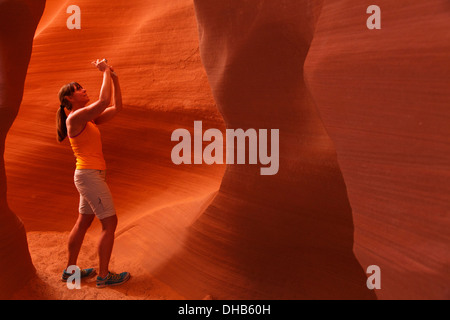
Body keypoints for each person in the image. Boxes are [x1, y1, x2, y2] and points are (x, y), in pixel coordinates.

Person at [56, 59, 130, 288]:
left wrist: (114, 78)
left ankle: (70, 271)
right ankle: (104, 276)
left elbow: (116, 107)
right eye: (78, 89)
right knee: (110, 223)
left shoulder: (89, 119)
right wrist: (105, 71)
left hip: (89, 175)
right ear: (69, 98)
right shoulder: (75, 118)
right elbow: (103, 101)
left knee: (83, 221)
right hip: (89, 175)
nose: (83, 89)